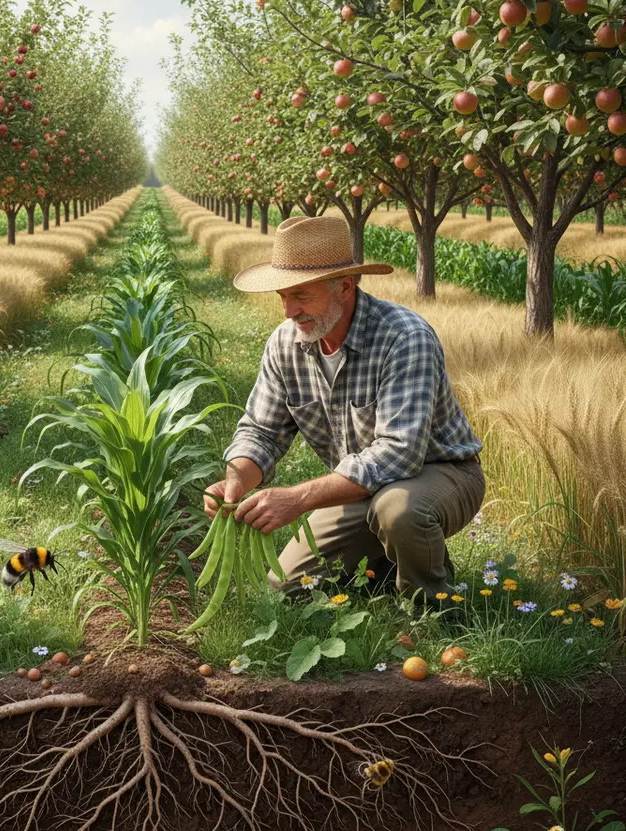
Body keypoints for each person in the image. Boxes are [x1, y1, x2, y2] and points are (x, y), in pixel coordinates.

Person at [202, 216, 485, 609]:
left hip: (439, 473)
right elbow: (261, 431)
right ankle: (390, 565)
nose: (288, 311)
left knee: (398, 510)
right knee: (284, 590)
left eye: (300, 295)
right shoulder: (286, 344)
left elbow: (399, 453)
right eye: (282, 296)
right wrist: (236, 480)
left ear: (345, 286)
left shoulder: (404, 336)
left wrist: (298, 499)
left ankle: (432, 607)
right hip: (358, 488)